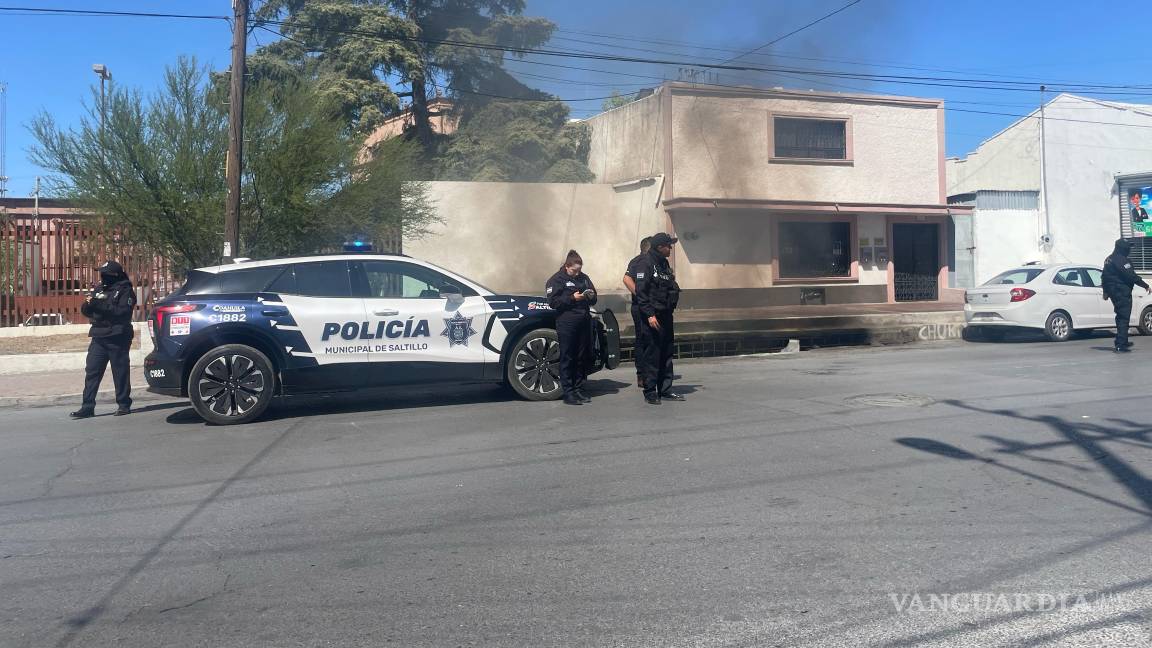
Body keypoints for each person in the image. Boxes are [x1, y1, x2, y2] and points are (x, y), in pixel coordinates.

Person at [71, 260, 136, 418]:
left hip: (117, 336)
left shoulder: (125, 290)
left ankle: (123, 404)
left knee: (120, 371)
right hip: (98, 336)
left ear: (114, 275)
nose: (102, 276)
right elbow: (88, 310)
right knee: (92, 371)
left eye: (105, 274)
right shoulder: (100, 289)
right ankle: (87, 406)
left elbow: (122, 312)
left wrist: (98, 305)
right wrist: (88, 305)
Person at [634, 232, 682, 404]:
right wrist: (650, 315)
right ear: (660, 247)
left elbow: (668, 286)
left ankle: (665, 389)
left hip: (666, 314)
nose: (670, 249)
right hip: (653, 317)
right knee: (652, 354)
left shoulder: (664, 263)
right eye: (668, 246)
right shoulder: (645, 263)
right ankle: (650, 392)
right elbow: (641, 293)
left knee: (667, 353)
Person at [546, 250, 598, 405]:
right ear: (567, 266)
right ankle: (568, 393)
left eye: (579, 270)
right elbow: (553, 302)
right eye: (574, 271)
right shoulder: (556, 280)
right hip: (567, 322)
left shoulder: (584, 278)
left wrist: (590, 296)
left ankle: (578, 389)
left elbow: (594, 297)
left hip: (583, 321)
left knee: (581, 357)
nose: (577, 273)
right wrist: (572, 298)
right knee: (568, 357)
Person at [1101, 238, 1150, 354]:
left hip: (1115, 292)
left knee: (1121, 316)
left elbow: (1104, 276)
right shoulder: (1121, 260)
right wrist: (1145, 285)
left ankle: (1123, 340)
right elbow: (1130, 276)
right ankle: (1121, 345)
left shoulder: (1109, 259)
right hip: (1121, 292)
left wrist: (1106, 292)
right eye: (1127, 248)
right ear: (1122, 248)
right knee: (1123, 317)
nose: (1129, 250)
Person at [623, 236, 653, 388]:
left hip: (654, 307)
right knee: (642, 339)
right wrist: (642, 296)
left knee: (653, 340)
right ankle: (642, 374)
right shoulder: (637, 261)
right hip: (640, 307)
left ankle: (652, 372)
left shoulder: (655, 261)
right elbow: (626, 279)